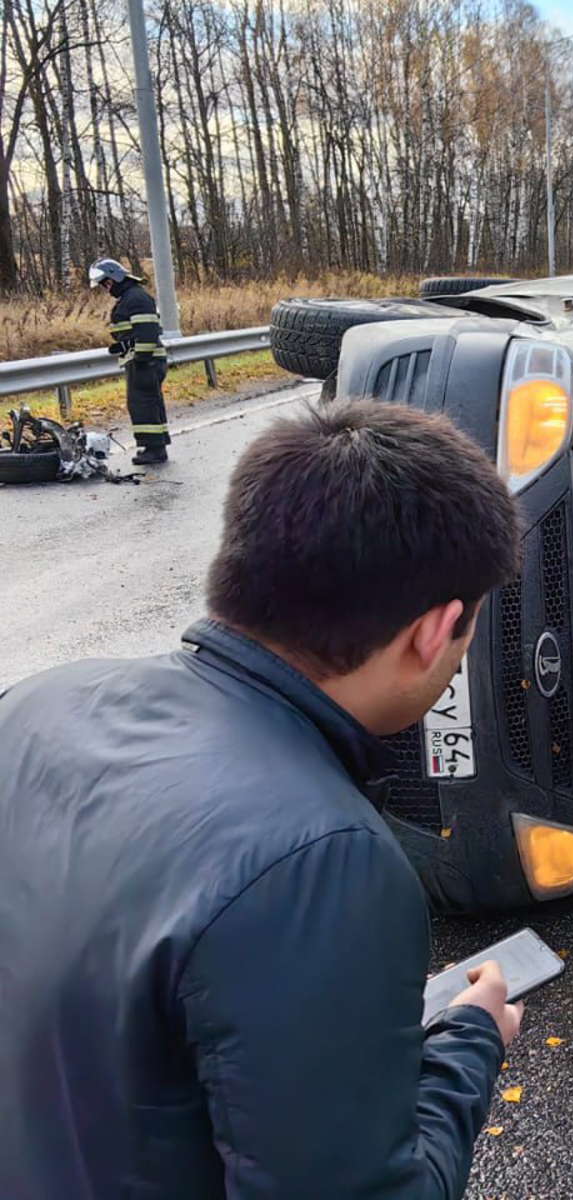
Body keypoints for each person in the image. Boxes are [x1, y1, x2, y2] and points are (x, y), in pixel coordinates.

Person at [0, 401, 525, 1199]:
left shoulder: (37, 702)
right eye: (467, 633)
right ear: (435, 630)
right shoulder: (320, 862)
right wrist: (471, 1041)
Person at [89, 257, 170, 465]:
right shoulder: (131, 297)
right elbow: (134, 332)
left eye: (106, 283)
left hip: (146, 360)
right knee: (147, 403)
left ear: (115, 278)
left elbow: (147, 331)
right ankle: (156, 446)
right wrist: (122, 346)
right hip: (143, 359)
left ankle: (154, 450)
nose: (106, 289)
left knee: (143, 403)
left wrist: (141, 358)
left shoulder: (135, 298)